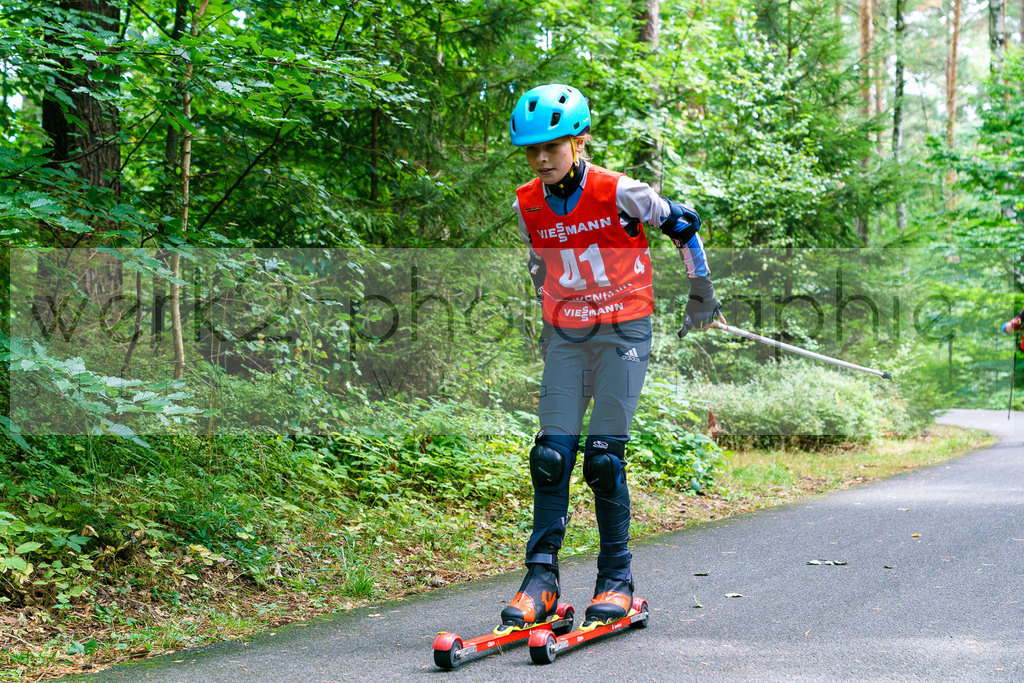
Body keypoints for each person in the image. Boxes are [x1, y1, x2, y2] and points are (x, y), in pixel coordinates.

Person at [499, 83, 722, 632]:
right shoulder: (526, 202)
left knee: (601, 458)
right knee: (550, 456)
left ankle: (616, 580)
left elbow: (683, 224)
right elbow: (539, 262)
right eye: (533, 150)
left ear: (581, 141)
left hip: (624, 332)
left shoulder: (622, 191)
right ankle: (542, 582)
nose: (542, 158)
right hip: (568, 338)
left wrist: (701, 292)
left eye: (553, 145)